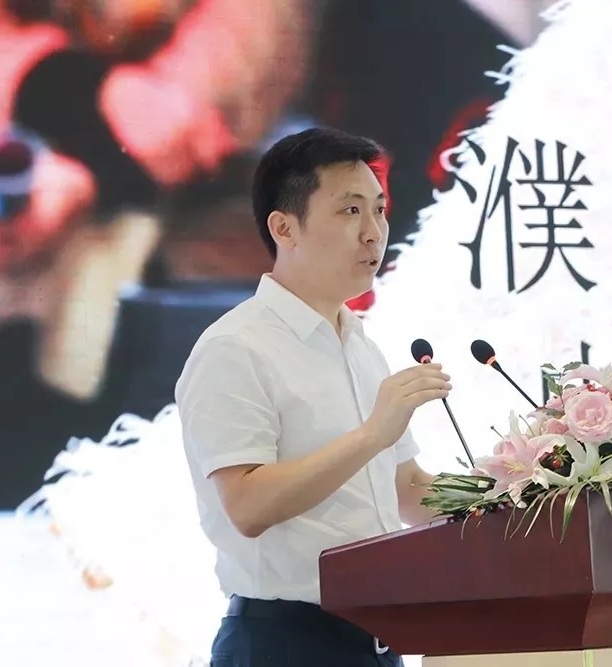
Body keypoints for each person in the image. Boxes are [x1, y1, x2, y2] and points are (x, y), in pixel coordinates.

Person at [173, 127, 450, 667]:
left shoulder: (359, 344)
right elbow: (247, 505)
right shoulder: (236, 347)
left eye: (379, 210)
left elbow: (407, 489)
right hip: (285, 643)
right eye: (350, 211)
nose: (373, 233)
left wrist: (522, 494)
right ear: (284, 228)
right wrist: (371, 434)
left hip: (377, 641)